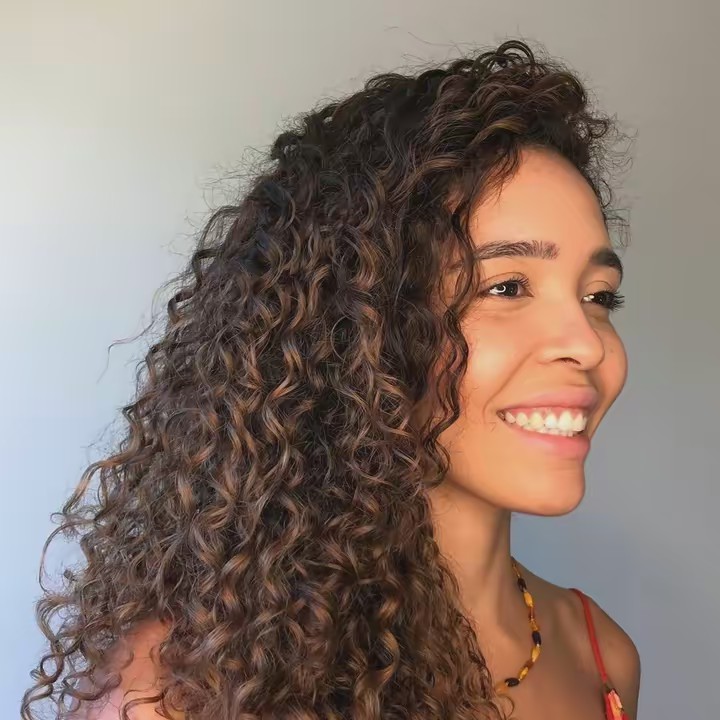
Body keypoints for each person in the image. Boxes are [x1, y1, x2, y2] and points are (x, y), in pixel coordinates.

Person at [22, 39, 641, 720]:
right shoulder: (184, 691)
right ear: (357, 328)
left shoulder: (601, 657)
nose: (587, 343)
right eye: (507, 287)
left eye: (599, 296)